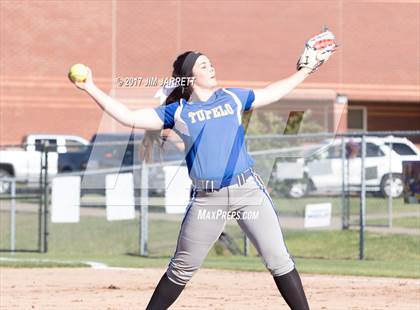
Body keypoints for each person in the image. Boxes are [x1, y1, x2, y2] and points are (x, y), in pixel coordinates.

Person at [70, 30, 336, 310]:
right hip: (208, 199)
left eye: (211, 63)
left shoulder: (231, 98)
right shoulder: (178, 111)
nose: (212, 67)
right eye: (204, 65)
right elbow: (129, 116)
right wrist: (90, 87)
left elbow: (272, 92)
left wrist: (306, 70)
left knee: (278, 259)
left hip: (248, 191)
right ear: (189, 77)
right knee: (181, 268)